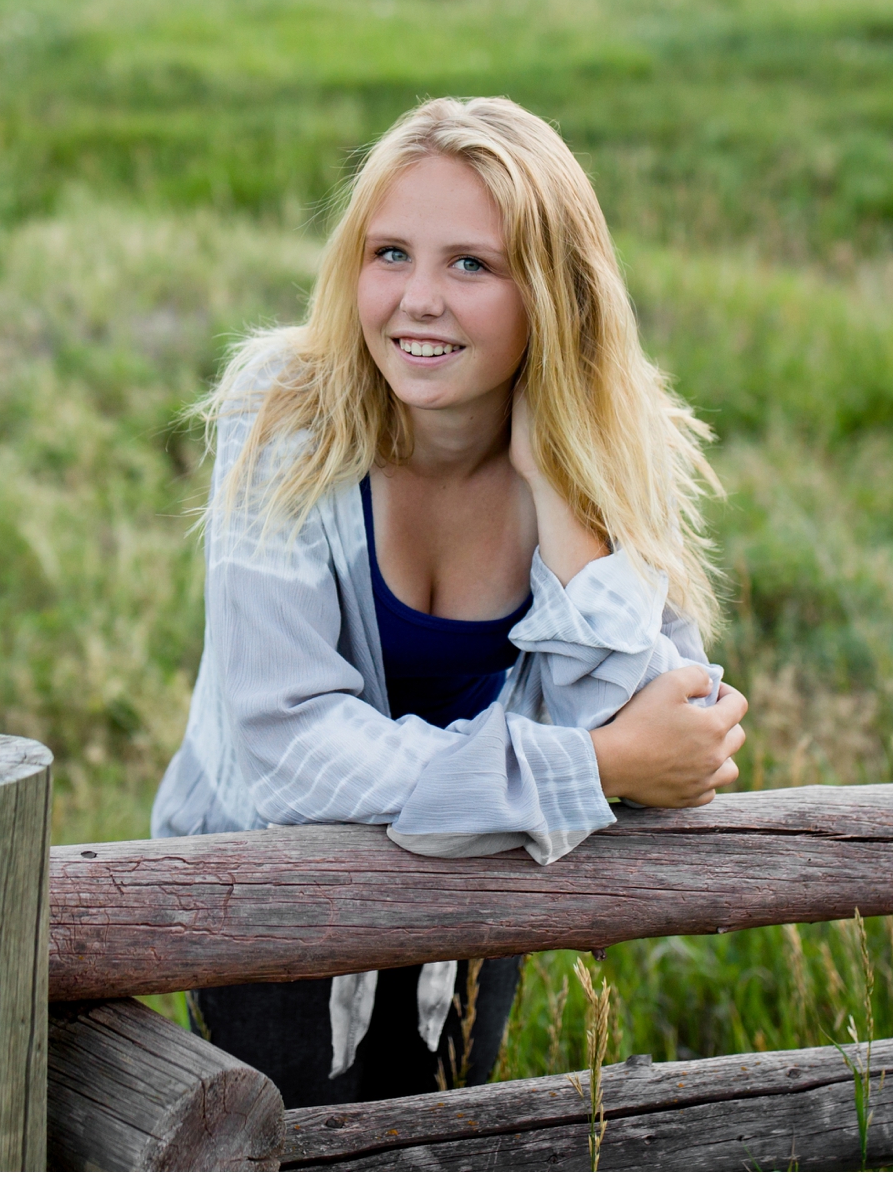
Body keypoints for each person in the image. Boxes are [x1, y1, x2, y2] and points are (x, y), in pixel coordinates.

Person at [151, 96, 749, 1107]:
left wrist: (560, 488)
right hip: (268, 896)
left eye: (470, 264)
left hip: (480, 893)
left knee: (445, 1139)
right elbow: (287, 750)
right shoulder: (281, 411)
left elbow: (669, 726)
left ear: (553, 295)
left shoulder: (611, 442)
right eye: (390, 252)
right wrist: (589, 766)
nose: (416, 298)